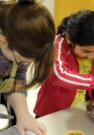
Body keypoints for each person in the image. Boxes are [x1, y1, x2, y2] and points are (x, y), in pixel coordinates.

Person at [34, 10, 94, 117]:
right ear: (69, 39)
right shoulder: (58, 44)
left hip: (78, 111)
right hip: (51, 114)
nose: (92, 56)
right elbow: (59, 75)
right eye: (86, 51)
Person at [0, 0, 55, 135]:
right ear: (2, 41)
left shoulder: (20, 40)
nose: (22, 65)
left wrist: (23, 114)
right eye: (20, 60)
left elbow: (16, 81)